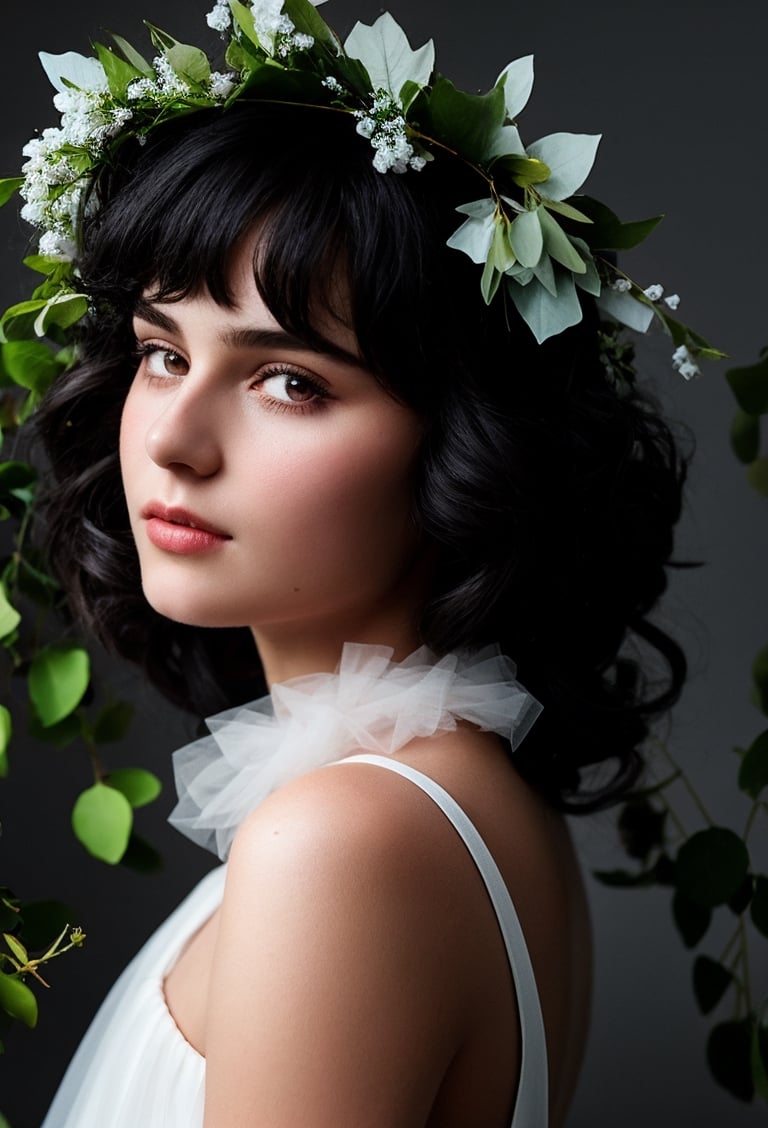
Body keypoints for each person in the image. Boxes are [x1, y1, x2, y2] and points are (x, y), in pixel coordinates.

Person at [2, 1, 708, 1123]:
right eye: (161, 351)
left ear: (468, 441)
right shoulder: (453, 800)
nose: (176, 440)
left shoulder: (347, 842)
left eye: (292, 381)